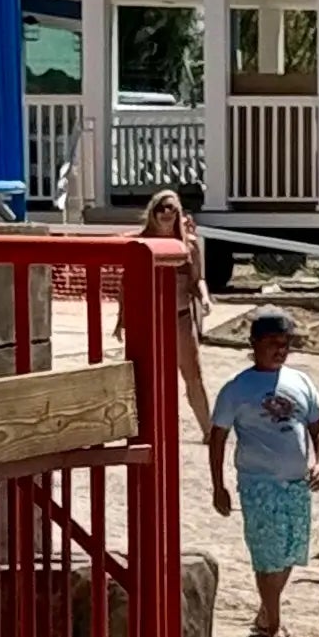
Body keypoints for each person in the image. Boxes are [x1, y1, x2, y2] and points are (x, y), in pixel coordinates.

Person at [206, 305, 319, 637]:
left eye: (285, 343)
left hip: (296, 483)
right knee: (267, 556)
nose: (280, 349)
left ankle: (266, 614)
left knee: (290, 553)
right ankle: (272, 628)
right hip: (259, 484)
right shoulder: (238, 389)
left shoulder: (301, 381)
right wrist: (219, 485)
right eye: (272, 342)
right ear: (254, 343)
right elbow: (218, 437)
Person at [121, 186, 214, 449]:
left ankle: (208, 431)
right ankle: (148, 431)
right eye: (161, 207)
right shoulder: (140, 243)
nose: (166, 213)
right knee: (148, 377)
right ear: (152, 212)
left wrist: (205, 298)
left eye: (171, 208)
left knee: (193, 376)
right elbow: (126, 285)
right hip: (150, 320)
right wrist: (122, 318)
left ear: (178, 213)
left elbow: (198, 280)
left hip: (181, 317)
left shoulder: (189, 245)